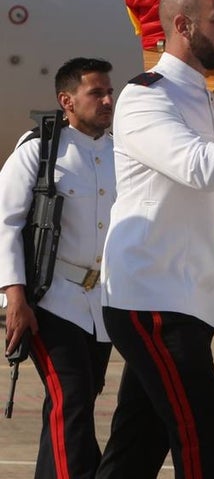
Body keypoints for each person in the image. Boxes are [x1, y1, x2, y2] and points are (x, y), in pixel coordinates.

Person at [97, 0, 214, 479]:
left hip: (188, 297)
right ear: (181, 24)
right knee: (201, 431)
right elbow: (202, 169)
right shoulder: (146, 98)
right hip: (151, 297)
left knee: (139, 440)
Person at [1, 58, 115, 479]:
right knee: (72, 399)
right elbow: (6, 224)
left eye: (109, 92)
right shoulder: (40, 149)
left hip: (103, 306)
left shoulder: (121, 152)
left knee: (77, 401)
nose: (107, 101)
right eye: (96, 94)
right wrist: (15, 298)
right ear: (67, 101)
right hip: (52, 299)